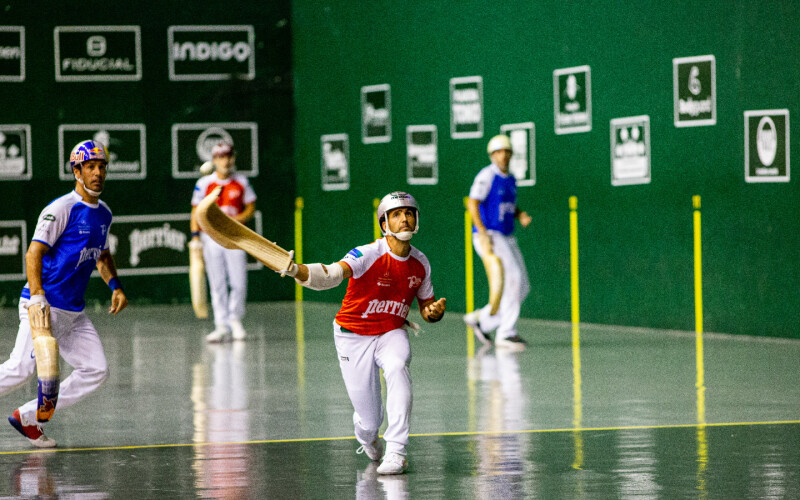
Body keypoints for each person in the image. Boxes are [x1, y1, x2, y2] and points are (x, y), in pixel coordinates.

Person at [282, 191, 446, 475]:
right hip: (352, 336)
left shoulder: (421, 263)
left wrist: (434, 312)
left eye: (409, 213)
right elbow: (332, 274)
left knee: (397, 366)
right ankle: (367, 437)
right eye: (396, 214)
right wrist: (297, 271)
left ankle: (397, 451)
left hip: (391, 332)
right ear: (384, 224)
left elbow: (426, 307)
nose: (404, 218)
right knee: (370, 421)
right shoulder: (368, 254)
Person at [0, 140, 128, 448]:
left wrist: (115, 286)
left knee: (96, 370)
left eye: (101, 167)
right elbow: (33, 253)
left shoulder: (104, 214)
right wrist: (37, 297)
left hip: (73, 312)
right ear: (77, 172)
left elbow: (102, 255)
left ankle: (28, 417)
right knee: (21, 368)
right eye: (90, 167)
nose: (97, 173)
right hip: (43, 305)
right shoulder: (61, 209)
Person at [464, 135, 532, 351]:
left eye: (507, 151)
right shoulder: (487, 175)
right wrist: (482, 232)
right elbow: (472, 202)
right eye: (499, 152)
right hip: (490, 235)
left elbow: (508, 205)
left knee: (523, 286)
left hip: (507, 236)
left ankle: (483, 320)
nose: (503, 155)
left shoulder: (510, 179)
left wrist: (520, 215)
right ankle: (506, 334)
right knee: (514, 280)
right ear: (492, 155)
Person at [190, 142, 257, 342]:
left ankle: (235, 320)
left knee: (238, 282)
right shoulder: (204, 183)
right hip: (211, 237)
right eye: (220, 157)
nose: (225, 161)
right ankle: (221, 325)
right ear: (214, 160)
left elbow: (250, 207)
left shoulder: (241, 181)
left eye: (228, 156)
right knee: (217, 282)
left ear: (233, 157)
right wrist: (195, 237)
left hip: (236, 237)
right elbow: (195, 211)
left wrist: (237, 219)